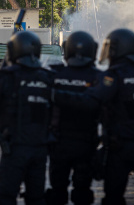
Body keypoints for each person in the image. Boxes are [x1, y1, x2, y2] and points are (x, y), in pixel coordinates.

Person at [53, 28, 134, 205]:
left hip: (120, 149)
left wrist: (56, 95)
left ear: (117, 49)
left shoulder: (113, 76)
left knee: (113, 198)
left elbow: (90, 102)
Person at [0, 31, 53, 205]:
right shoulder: (47, 77)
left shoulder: (7, 77)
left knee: (7, 197)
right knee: (36, 197)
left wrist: (0, 74)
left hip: (14, 148)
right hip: (40, 148)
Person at [46, 31, 101, 205]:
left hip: (58, 143)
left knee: (57, 190)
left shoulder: (55, 75)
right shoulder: (98, 77)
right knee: (83, 190)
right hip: (87, 143)